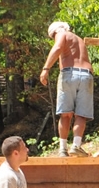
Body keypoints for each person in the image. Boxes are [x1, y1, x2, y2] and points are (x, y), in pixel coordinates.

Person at [40, 20, 94, 156]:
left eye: (52, 37)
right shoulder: (79, 39)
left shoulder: (61, 34)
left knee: (65, 114)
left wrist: (46, 69)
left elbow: (57, 47)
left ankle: (63, 149)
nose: (53, 39)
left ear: (55, 32)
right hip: (87, 75)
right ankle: (76, 145)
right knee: (81, 115)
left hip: (69, 74)